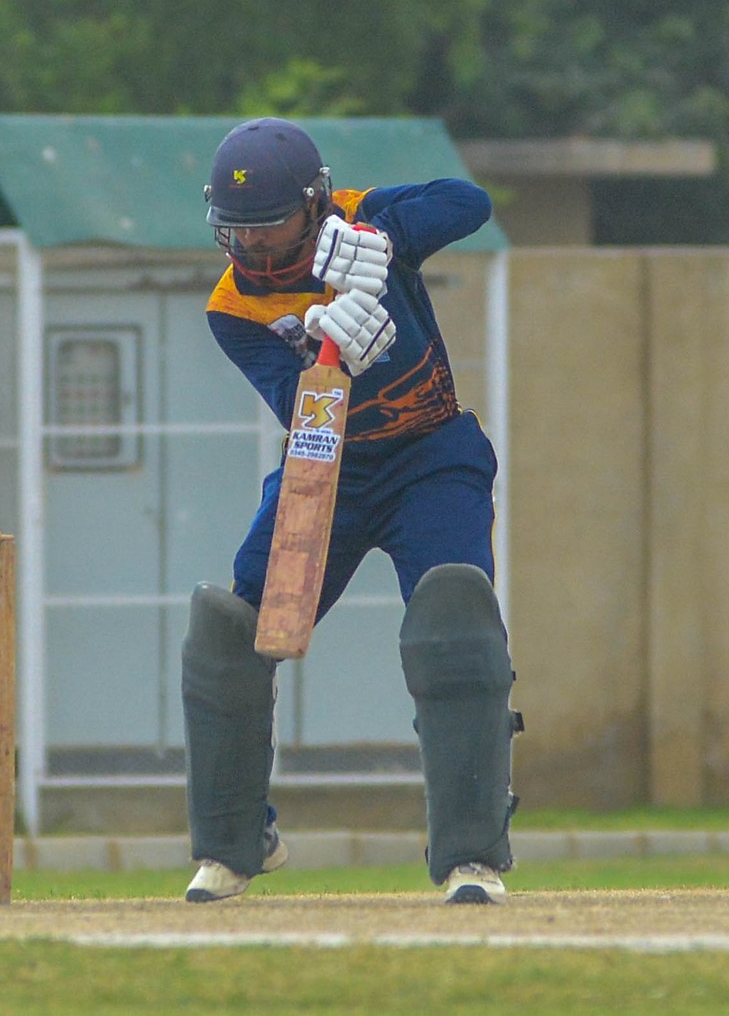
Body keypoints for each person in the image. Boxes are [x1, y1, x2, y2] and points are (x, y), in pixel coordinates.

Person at [182, 118, 522, 905]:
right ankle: (236, 841)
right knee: (235, 628)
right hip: (324, 466)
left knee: (455, 615)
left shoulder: (366, 218)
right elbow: (297, 408)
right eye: (240, 231)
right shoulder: (232, 307)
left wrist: (378, 243)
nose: (256, 248)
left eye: (273, 228)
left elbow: (469, 203)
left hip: (432, 457)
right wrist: (326, 358)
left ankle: (472, 854)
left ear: (315, 202)